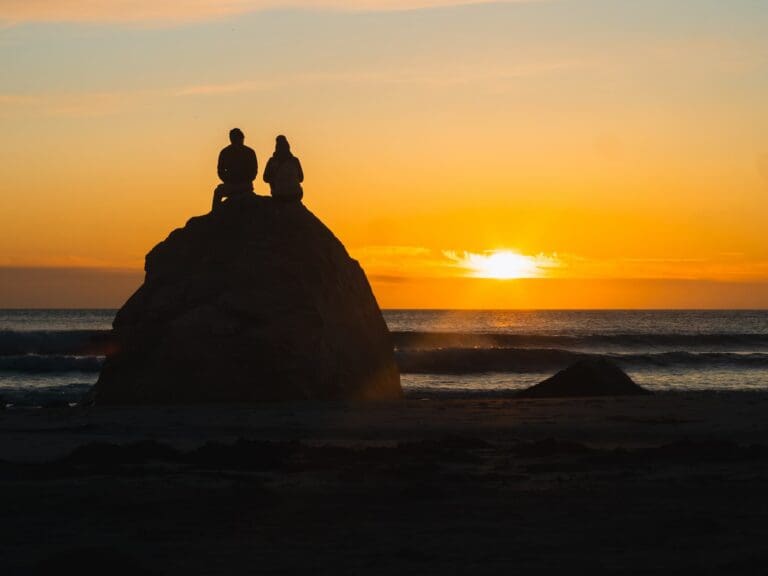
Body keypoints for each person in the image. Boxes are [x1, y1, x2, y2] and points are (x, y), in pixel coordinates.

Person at [212, 128, 258, 210]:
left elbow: (254, 171)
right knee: (218, 192)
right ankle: (214, 214)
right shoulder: (249, 152)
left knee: (217, 193)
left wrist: (240, 180)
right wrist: (228, 180)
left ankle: (214, 215)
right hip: (235, 185)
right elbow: (220, 171)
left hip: (243, 185)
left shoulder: (226, 152)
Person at [263, 135, 304, 202]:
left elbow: (265, 178)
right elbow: (301, 178)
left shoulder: (272, 161)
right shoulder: (294, 160)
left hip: (279, 195)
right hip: (296, 194)